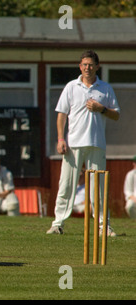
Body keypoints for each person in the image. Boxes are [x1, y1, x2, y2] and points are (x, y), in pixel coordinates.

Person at [47, 50, 120, 235]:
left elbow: (116, 115)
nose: (87, 68)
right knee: (66, 185)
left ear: (97, 66)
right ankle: (58, 224)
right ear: (80, 67)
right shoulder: (71, 87)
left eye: (91, 64)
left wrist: (101, 108)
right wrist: (61, 139)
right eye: (84, 65)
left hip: (96, 143)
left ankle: (104, 226)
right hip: (73, 144)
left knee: (98, 188)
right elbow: (61, 115)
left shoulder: (105, 88)